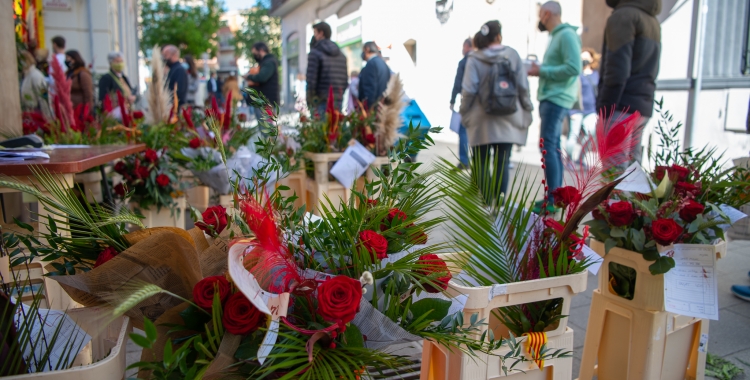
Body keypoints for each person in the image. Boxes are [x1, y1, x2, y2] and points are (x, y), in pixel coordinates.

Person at [460, 20, 533, 201]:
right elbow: (523, 86)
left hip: (480, 118)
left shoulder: (474, 59)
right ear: (499, 36)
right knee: (502, 160)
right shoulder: (512, 55)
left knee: (481, 161)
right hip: (508, 116)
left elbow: (469, 90)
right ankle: (499, 202)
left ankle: (485, 205)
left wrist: (463, 111)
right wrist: (527, 107)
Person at [527, 1, 581, 213]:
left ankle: (553, 199)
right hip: (553, 97)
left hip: (556, 98)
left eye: (540, 15)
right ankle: (554, 197)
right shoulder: (558, 36)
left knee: (548, 145)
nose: (540, 19)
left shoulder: (566, 35)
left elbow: (574, 67)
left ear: (547, 14)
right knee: (552, 146)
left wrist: (543, 70)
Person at [597, 0, 661, 165]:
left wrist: (605, 108)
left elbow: (617, 70)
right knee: (633, 175)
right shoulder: (651, 19)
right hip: (641, 105)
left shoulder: (624, 16)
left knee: (613, 177)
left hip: (620, 106)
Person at [306, 22, 348, 115]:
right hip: (338, 99)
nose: (314, 36)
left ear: (321, 33)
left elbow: (311, 79)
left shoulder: (315, 52)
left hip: (321, 100)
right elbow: (345, 80)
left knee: (321, 128)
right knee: (335, 128)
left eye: (315, 33)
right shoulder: (341, 54)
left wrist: (310, 101)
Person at [566, 48, 600, 162]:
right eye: (582, 58)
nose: (584, 60)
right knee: (573, 135)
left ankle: (580, 159)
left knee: (591, 133)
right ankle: (569, 159)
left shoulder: (596, 75)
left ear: (591, 59)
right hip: (577, 109)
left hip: (591, 110)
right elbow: (571, 91)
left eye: (586, 58)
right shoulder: (576, 74)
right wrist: (572, 111)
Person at [451, 38, 474, 169]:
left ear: (466, 46)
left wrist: (452, 100)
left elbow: (457, 82)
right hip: (479, 104)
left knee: (463, 131)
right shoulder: (479, 59)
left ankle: (465, 161)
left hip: (466, 101)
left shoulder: (464, 62)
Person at [245, 42, 280, 117]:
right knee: (265, 127)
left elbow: (262, 77)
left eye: (255, 53)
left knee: (266, 127)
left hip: (266, 101)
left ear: (261, 50)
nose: (255, 56)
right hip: (264, 100)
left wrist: (249, 76)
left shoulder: (269, 62)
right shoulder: (265, 62)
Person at [358, 41, 391, 111]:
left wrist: (368, 108)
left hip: (373, 108)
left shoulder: (371, 64)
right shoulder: (382, 63)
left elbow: (370, 89)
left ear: (367, 49)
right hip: (382, 106)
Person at [20, 50, 52, 118]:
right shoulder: (25, 75)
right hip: (28, 113)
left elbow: (43, 95)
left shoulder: (36, 75)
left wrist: (47, 117)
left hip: (37, 113)